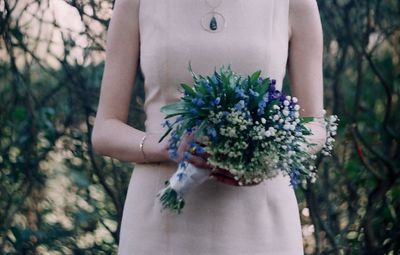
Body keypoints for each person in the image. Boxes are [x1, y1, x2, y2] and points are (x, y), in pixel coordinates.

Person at [91, 0, 327, 254]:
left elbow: (315, 125)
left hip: (262, 222)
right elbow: (105, 130)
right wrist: (165, 147)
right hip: (160, 223)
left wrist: (265, 154)